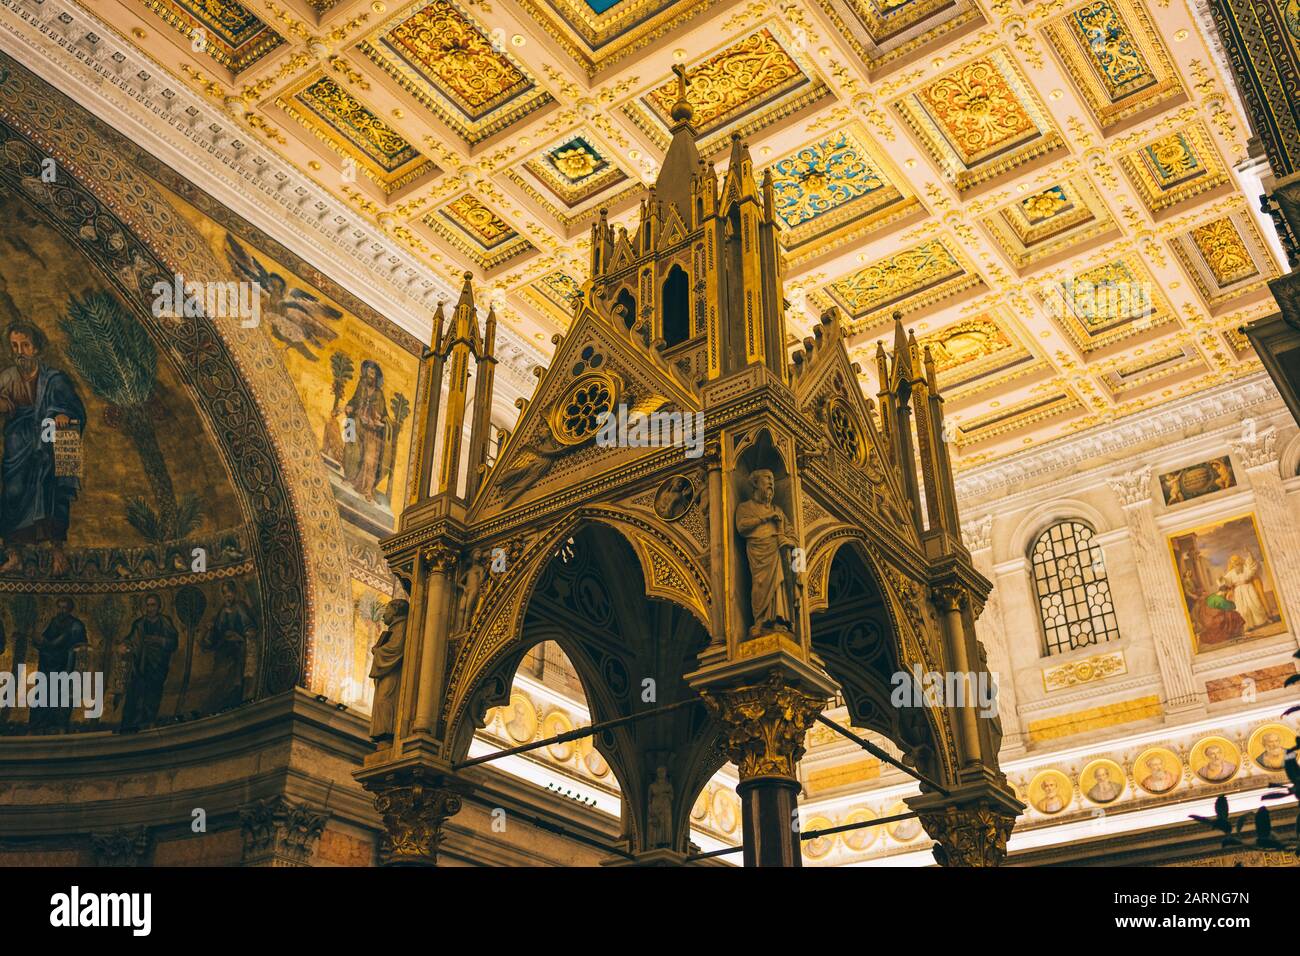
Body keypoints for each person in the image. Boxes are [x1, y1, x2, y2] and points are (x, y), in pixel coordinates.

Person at [0, 321, 86, 577]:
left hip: (50, 441)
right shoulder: (6, 377)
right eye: (15, 346)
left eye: (25, 345)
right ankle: (14, 553)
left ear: (36, 347)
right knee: (13, 492)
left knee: (53, 489)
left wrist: (60, 413)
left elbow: (72, 408)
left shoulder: (55, 379)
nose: (19, 351)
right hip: (18, 442)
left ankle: (57, 550)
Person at [735, 468, 799, 636]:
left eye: (772, 479)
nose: (771, 482)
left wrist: (788, 541)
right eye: (767, 479)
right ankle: (761, 620)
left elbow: (794, 536)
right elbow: (742, 527)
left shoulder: (779, 511)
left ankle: (780, 620)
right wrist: (766, 518)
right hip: (759, 554)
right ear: (755, 484)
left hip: (779, 552)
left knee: (781, 586)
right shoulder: (745, 507)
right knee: (761, 585)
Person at [120, 594, 179, 730]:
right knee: (135, 693)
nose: (150, 608)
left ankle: (149, 722)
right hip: (140, 665)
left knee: (153, 693)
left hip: (158, 665)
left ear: (159, 607)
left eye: (153, 605)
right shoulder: (139, 623)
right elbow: (131, 640)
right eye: (147, 605)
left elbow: (173, 642)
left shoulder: (165, 622)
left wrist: (159, 640)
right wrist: (124, 645)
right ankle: (131, 724)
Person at [29, 597, 87, 732]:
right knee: (42, 694)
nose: (61, 611)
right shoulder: (54, 622)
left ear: (70, 609)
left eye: (64, 608)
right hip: (47, 665)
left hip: (65, 665)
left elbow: (79, 645)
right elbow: (45, 641)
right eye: (59, 607)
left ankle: (59, 725)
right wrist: (38, 640)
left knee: (61, 695)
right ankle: (39, 725)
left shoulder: (76, 625)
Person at [203, 583, 256, 712]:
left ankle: (234, 702)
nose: (228, 596)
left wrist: (240, 636)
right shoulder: (221, 611)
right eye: (225, 593)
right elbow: (217, 632)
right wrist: (211, 629)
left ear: (235, 593)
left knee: (235, 678)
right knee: (220, 677)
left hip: (237, 649)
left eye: (230, 592)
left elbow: (248, 626)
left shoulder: (240, 607)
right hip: (224, 650)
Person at [342, 359, 389, 502]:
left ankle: (367, 489)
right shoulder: (361, 385)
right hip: (356, 422)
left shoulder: (379, 394)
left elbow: (383, 414)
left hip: (372, 429)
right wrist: (350, 406)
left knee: (370, 457)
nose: (370, 375)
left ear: (376, 377)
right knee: (352, 446)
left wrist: (379, 420)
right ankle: (349, 478)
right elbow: (354, 400)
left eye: (373, 373)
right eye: (368, 372)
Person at [368, 599, 408, 742]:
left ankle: (386, 731)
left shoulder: (402, 626)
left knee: (385, 699)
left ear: (396, 611)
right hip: (387, 670)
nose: (384, 615)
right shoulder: (395, 627)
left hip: (392, 671)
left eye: (387, 610)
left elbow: (395, 648)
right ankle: (382, 731)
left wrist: (377, 651)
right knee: (382, 699)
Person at [1220, 554, 1272, 630]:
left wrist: (1250, 556)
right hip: (1238, 591)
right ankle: (1247, 626)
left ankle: (1261, 622)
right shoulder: (1230, 573)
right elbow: (1226, 581)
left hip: (1248, 588)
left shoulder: (1246, 568)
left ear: (1240, 560)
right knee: (1242, 609)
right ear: (1231, 563)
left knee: (1254, 605)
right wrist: (1222, 579)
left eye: (1237, 560)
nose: (1236, 563)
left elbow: (1252, 569)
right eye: (1233, 561)